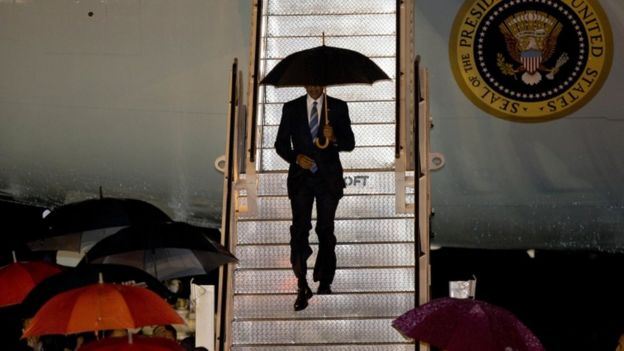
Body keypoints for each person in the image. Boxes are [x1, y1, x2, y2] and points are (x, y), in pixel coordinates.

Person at [274, 85, 355, 311]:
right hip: (301, 179)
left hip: (328, 180)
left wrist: (335, 137)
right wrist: (295, 157)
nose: (315, 87)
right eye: (310, 82)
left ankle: (325, 279)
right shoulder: (291, 108)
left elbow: (349, 143)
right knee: (300, 230)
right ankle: (302, 284)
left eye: (319, 82)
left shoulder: (337, 107)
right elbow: (280, 144)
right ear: (304, 84)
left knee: (325, 229)